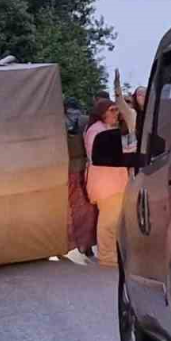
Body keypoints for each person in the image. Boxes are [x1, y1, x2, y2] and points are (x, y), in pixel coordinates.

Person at [84, 96, 128, 268]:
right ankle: (107, 256)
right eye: (112, 110)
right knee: (108, 222)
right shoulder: (97, 131)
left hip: (112, 182)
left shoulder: (104, 128)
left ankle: (111, 254)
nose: (116, 113)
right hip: (106, 183)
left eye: (117, 110)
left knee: (113, 220)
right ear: (102, 113)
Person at [64, 98, 97, 259]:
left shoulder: (58, 122)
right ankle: (87, 244)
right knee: (87, 209)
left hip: (69, 170)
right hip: (84, 169)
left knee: (71, 209)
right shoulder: (86, 121)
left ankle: (69, 244)